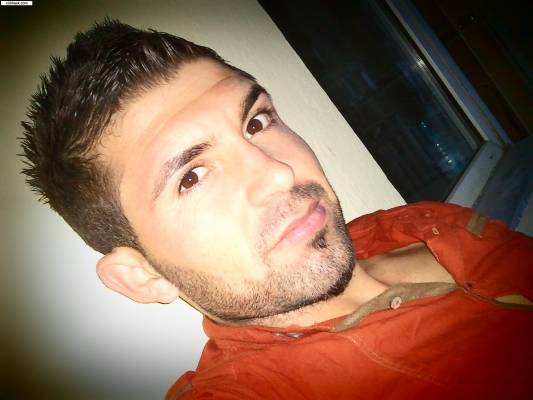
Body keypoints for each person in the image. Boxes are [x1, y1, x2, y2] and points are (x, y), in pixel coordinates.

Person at [20, 19, 533, 400]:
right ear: (143, 276)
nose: (278, 174)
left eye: (256, 122)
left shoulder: (417, 222)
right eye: (191, 176)